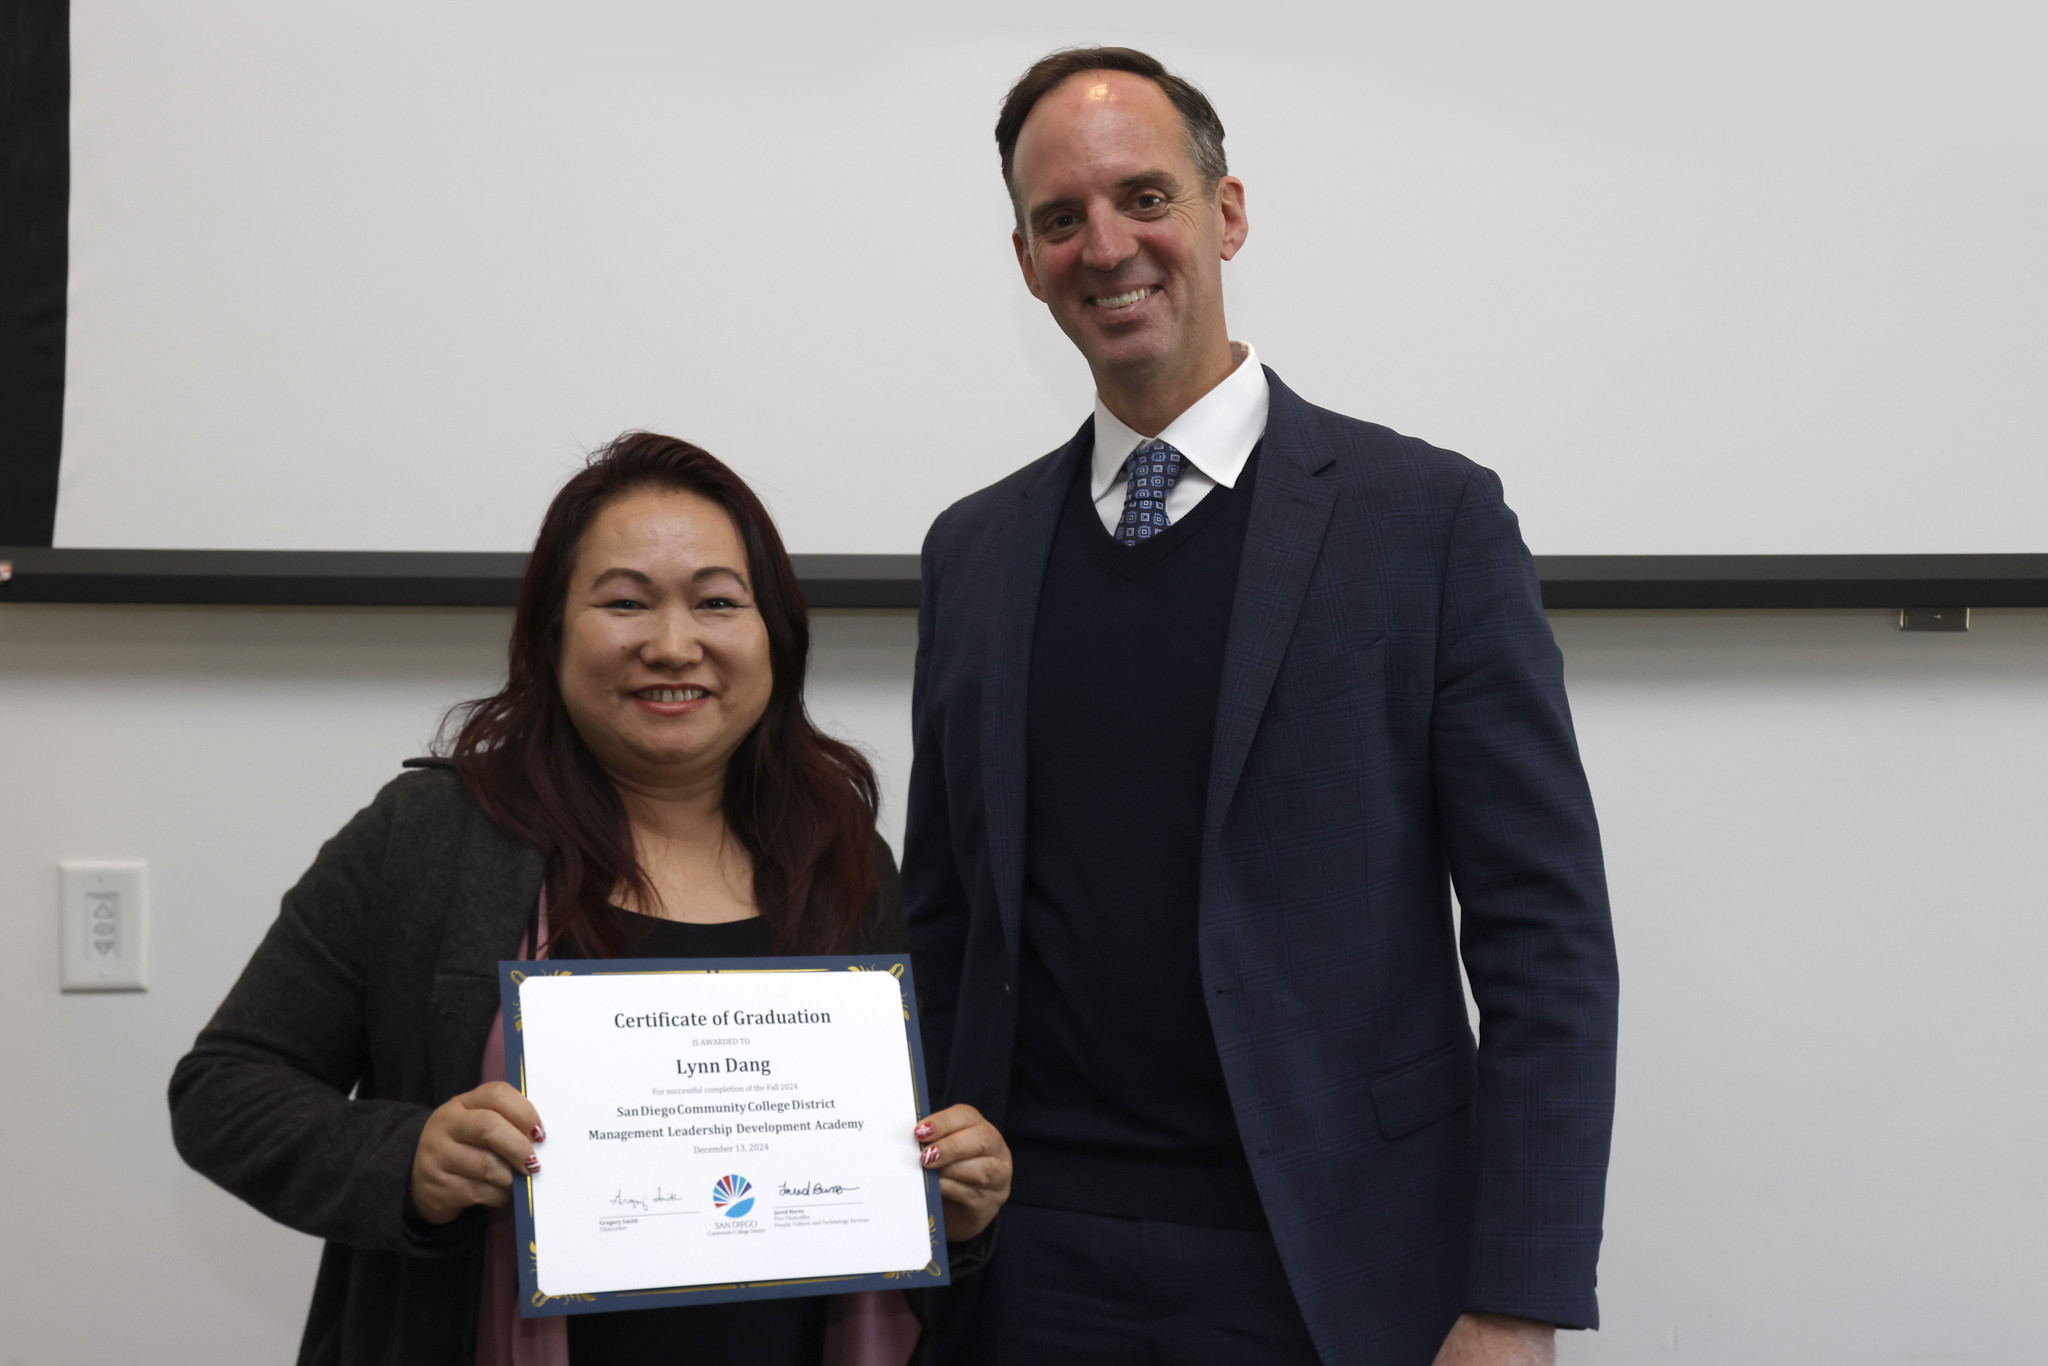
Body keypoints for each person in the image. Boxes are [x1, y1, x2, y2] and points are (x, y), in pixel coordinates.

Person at [902, 47, 1618, 1366]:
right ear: (1025, 261)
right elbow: (942, 926)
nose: (1105, 247)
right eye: (1060, 219)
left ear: (1226, 212)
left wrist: (1516, 1296)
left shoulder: (1428, 521)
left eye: (1145, 198)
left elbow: (1543, 936)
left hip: (1334, 1268)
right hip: (1027, 1272)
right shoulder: (974, 553)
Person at [170, 432, 1010, 1365]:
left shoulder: (841, 855)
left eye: (717, 602)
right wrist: (409, 1159)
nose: (673, 645)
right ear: (552, 632)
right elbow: (224, 1090)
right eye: (625, 603)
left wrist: (952, 1192)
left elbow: (890, 1147)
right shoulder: (431, 836)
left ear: (774, 634)